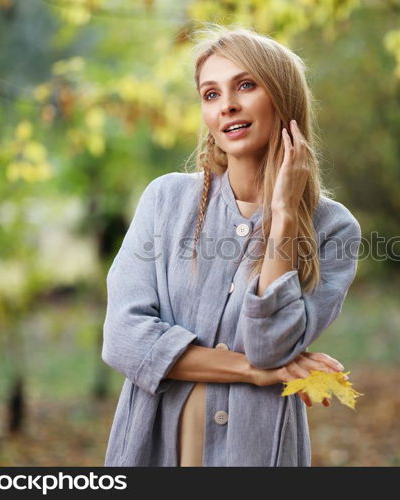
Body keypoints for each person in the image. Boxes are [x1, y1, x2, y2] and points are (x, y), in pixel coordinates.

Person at [101, 25, 361, 467]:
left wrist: (282, 217)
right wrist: (253, 372)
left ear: (282, 98)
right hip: (153, 445)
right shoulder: (166, 200)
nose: (228, 106)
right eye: (211, 94)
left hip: (257, 452)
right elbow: (123, 339)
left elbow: (271, 347)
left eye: (245, 85)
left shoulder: (333, 228)